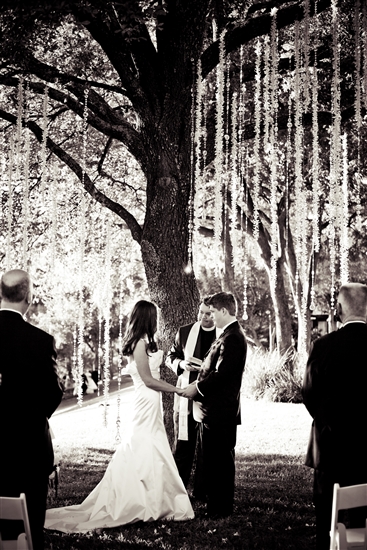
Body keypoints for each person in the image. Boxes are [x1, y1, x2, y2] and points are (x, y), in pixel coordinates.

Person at [45, 300, 194, 532]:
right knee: (144, 443)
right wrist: (176, 389)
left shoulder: (145, 341)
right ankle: (141, 499)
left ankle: (156, 498)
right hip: (145, 398)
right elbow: (147, 380)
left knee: (153, 443)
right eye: (155, 316)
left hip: (150, 400)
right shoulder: (139, 344)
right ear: (149, 318)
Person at [0, 269, 64, 550]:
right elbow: (53, 392)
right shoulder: (39, 340)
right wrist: (29, 418)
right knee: (28, 523)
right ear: (28, 295)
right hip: (27, 448)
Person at [302, 282, 367, 550]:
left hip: (331, 447)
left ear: (338, 309)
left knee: (329, 518)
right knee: (361, 518)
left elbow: (309, 393)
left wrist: (327, 419)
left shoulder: (323, 346)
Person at [182, 292, 247, 519]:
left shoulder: (233, 338)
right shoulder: (227, 335)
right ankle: (217, 506)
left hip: (221, 412)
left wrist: (196, 389)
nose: (210, 317)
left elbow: (222, 375)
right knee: (214, 461)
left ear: (223, 311)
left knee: (220, 463)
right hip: (214, 411)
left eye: (212, 313)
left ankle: (220, 510)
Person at [165, 296, 220, 497]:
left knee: (207, 448)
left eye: (208, 313)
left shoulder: (222, 333)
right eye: (201, 312)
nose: (204, 317)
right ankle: (177, 490)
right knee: (182, 446)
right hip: (186, 397)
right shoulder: (185, 331)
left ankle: (201, 491)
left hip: (210, 397)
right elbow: (170, 357)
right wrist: (181, 364)